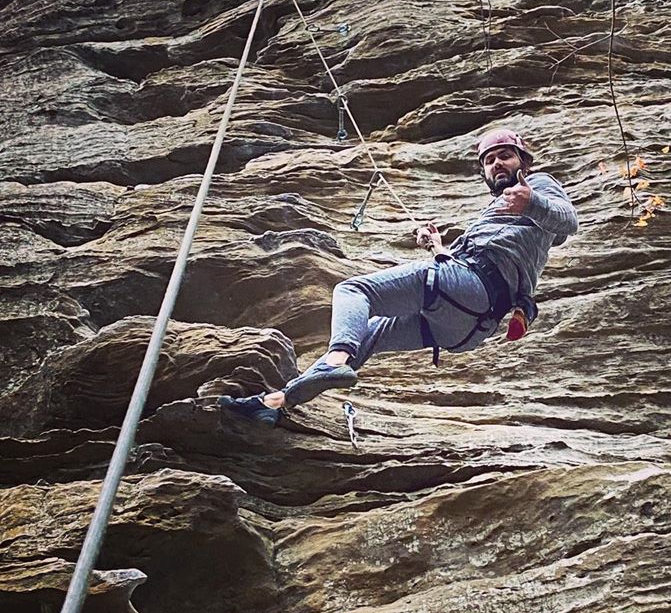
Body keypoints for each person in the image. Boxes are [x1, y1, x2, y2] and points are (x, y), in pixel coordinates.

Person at [219, 127, 577, 426]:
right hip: (467, 325)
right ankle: (275, 404)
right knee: (366, 334)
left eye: (505, 155)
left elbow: (567, 221)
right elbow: (491, 260)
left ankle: (334, 360)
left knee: (353, 290)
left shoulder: (538, 185)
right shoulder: (498, 211)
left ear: (523, 162)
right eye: (489, 159)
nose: (497, 163)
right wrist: (437, 248)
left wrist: (531, 201)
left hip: (472, 291)